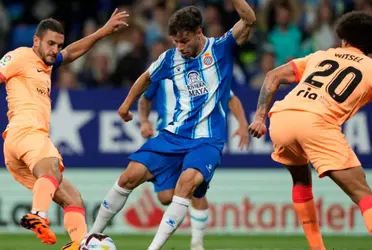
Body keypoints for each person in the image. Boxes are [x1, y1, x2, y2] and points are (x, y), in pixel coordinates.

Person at [90, 2, 256, 250]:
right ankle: (89, 237)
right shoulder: (170, 58)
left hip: (207, 140)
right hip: (173, 135)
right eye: (175, 42)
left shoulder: (221, 48)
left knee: (186, 184)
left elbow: (249, 19)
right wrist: (126, 105)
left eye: (184, 41)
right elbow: (146, 78)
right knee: (128, 177)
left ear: (199, 32)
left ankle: (162, 247)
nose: (180, 47)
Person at [0, 8, 129, 250]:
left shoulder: (46, 62)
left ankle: (80, 245)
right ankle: (38, 214)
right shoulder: (19, 56)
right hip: (25, 132)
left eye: (58, 45)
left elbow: (71, 53)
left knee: (73, 197)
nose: (55, 50)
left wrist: (102, 32)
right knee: (52, 168)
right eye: (50, 44)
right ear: (35, 40)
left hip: (20, 148)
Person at [248, 11, 372, 250]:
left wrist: (260, 118)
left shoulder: (321, 56)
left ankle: (317, 248)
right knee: (361, 191)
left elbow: (273, 76)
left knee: (301, 179)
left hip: (282, 118)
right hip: (317, 122)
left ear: (344, 40)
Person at [138, 82, 249, 250]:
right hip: (167, 139)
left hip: (197, 138)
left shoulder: (206, 70)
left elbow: (231, 98)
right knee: (166, 197)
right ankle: (191, 193)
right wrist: (144, 121)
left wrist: (242, 123)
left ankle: (197, 244)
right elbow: (144, 99)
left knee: (194, 190)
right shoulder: (161, 70)